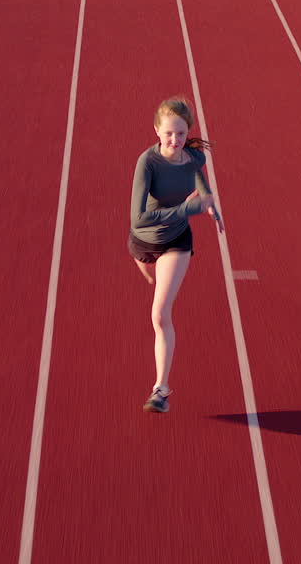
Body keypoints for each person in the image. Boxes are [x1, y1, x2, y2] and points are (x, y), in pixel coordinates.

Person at [128, 97, 224, 413]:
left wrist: (208, 203)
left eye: (181, 134)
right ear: (157, 130)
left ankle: (160, 390)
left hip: (175, 240)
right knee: (147, 277)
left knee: (159, 313)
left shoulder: (194, 157)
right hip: (142, 241)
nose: (175, 140)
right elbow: (138, 219)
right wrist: (188, 207)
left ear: (188, 133)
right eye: (169, 133)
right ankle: (145, 265)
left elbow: (199, 180)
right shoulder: (148, 162)